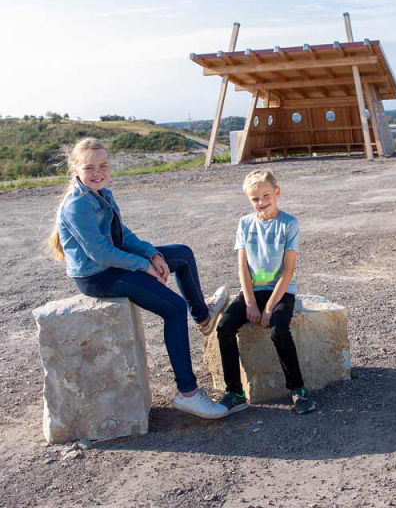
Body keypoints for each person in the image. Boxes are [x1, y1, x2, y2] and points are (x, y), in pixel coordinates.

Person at [46, 137, 229, 419]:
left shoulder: (103, 193)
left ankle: (204, 318)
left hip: (116, 263)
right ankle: (188, 393)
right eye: (90, 167)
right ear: (75, 169)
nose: (98, 173)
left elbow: (124, 236)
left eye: (103, 166)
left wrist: (151, 254)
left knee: (181, 254)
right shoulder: (76, 205)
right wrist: (143, 266)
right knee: (174, 308)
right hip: (98, 276)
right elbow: (101, 254)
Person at [216, 169, 316, 415]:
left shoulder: (289, 224)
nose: (261, 202)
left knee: (279, 328)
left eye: (266, 195)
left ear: (277, 192)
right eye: (255, 199)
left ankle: (297, 390)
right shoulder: (245, 223)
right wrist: (250, 303)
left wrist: (269, 308)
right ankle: (235, 392)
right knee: (224, 327)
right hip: (252, 291)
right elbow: (242, 267)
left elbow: (288, 272)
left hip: (280, 292)